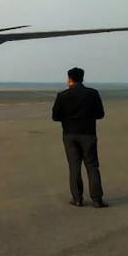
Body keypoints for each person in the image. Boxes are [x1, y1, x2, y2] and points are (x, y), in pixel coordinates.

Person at [52, 67, 108, 208]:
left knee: (74, 167)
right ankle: (97, 199)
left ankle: (77, 198)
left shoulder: (62, 95)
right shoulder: (93, 93)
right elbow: (100, 114)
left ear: (69, 79)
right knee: (92, 166)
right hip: (88, 134)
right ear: (82, 78)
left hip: (70, 134)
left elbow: (55, 117)